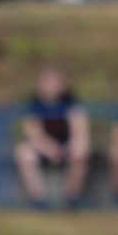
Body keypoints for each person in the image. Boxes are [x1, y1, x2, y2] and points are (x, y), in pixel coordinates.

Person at [14, 64, 89, 208]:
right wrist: (49, 148)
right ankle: (38, 199)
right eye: (48, 81)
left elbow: (79, 130)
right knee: (23, 153)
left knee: (80, 150)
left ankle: (71, 198)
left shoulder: (71, 103)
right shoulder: (34, 104)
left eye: (56, 81)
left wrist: (72, 145)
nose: (52, 85)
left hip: (66, 145)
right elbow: (33, 133)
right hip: (43, 147)